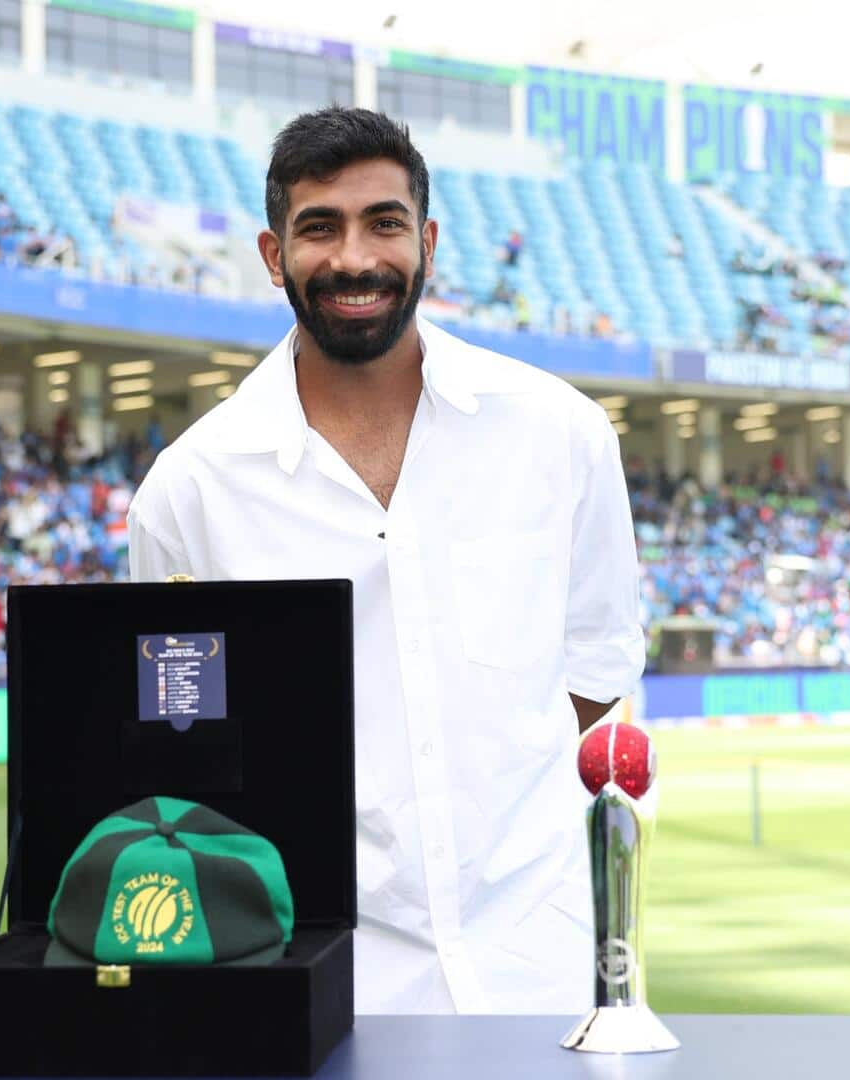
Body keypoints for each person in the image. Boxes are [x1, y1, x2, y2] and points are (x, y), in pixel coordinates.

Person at [126, 108, 643, 1015]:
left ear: (429, 242)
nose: (355, 259)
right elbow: (188, 753)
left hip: (546, 969)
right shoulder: (190, 489)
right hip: (325, 986)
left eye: (385, 223)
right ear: (273, 254)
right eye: (319, 227)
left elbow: (596, 666)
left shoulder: (560, 433)